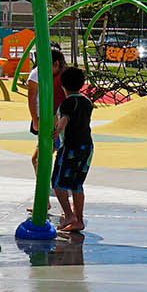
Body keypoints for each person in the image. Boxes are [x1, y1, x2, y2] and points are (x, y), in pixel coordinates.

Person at [51, 66, 93, 232]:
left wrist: (55, 134)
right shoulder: (87, 102)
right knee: (77, 184)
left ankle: (69, 215)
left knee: (58, 183)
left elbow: (64, 120)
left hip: (71, 147)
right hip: (87, 147)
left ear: (62, 85)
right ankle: (79, 220)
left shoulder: (68, 102)